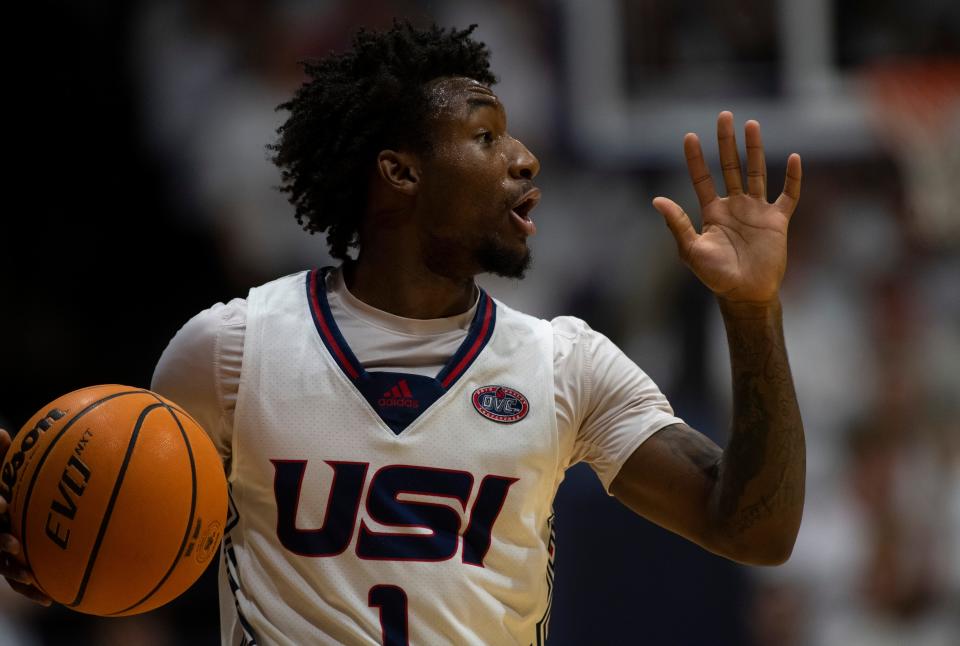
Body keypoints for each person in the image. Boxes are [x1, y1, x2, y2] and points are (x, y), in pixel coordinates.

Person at [1, 22, 805, 645]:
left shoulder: (567, 365)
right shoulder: (232, 348)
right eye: (487, 138)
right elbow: (129, 515)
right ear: (400, 173)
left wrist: (754, 308)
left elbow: (755, 529)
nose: (525, 159)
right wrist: (61, 549)